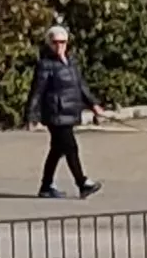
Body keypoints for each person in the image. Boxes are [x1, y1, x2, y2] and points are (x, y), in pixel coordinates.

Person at [29, 23, 101, 198]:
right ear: (49, 43)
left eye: (63, 42)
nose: (59, 46)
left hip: (70, 111)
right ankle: (82, 183)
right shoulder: (45, 65)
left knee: (57, 150)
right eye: (55, 42)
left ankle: (46, 187)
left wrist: (93, 104)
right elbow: (37, 90)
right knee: (71, 147)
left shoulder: (71, 62)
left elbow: (80, 85)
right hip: (55, 113)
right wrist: (32, 114)